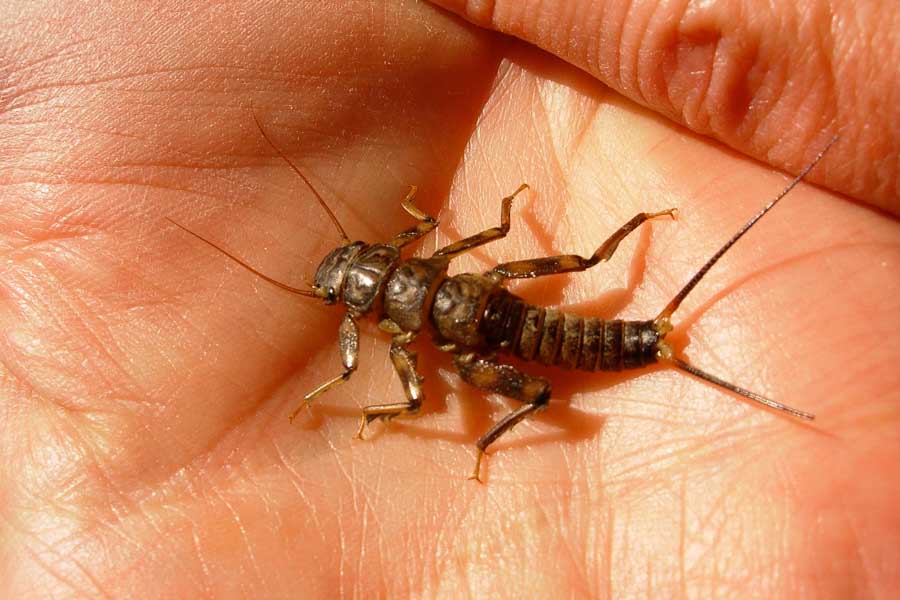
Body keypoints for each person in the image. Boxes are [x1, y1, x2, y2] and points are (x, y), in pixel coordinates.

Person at [1, 1, 896, 596]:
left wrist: (376, 409)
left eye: (354, 266)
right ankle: (651, 330)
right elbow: (488, 242)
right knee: (557, 316)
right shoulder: (425, 264)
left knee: (528, 374)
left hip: (495, 323)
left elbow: (420, 381)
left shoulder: (394, 326)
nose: (352, 273)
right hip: (492, 311)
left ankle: (649, 327)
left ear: (371, 278)